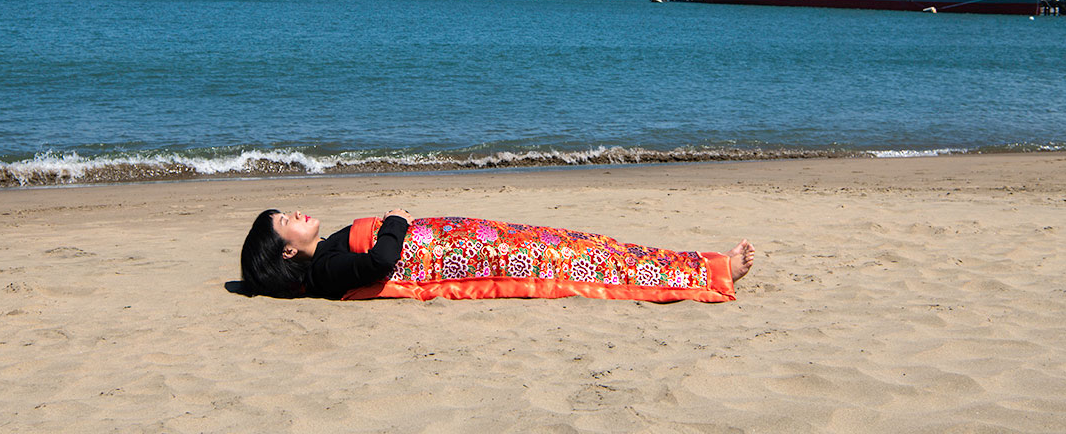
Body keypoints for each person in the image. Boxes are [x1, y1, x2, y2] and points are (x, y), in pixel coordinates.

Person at [241, 207, 755, 303]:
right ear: (287, 253)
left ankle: (701, 265)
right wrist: (396, 221)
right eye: (288, 221)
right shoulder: (327, 270)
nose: (300, 214)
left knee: (586, 247)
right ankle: (710, 271)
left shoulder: (327, 251)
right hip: (475, 256)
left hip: (470, 240)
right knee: (587, 259)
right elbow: (380, 263)